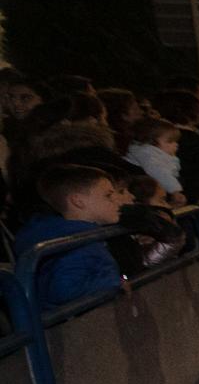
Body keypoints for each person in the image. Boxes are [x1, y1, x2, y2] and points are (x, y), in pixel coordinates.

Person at [15, 163, 125, 310]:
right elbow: (64, 290)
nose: (117, 200)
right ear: (78, 201)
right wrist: (115, 282)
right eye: (108, 195)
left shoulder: (67, 235)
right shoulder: (78, 241)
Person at [124, 117, 185, 205]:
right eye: (170, 141)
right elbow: (158, 171)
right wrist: (175, 190)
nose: (176, 144)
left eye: (176, 141)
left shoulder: (158, 154)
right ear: (152, 142)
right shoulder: (147, 154)